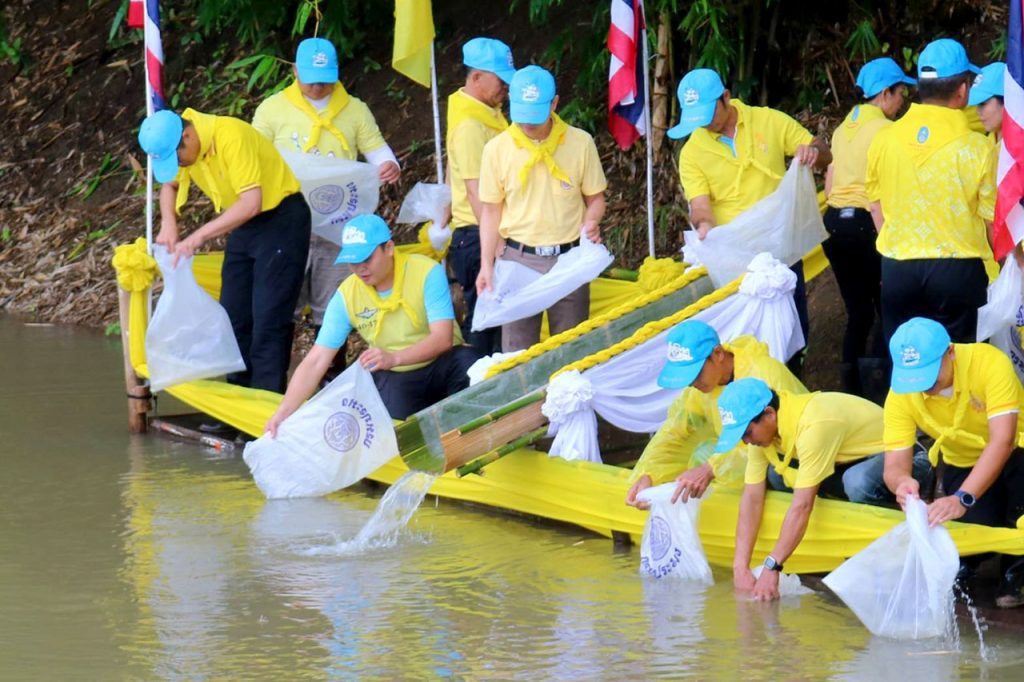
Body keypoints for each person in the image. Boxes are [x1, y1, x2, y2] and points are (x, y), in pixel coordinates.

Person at [138, 108, 310, 405]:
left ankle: (266, 406)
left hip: (281, 219)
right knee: (234, 316)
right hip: (244, 224)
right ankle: (239, 402)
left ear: (187, 136)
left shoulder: (231, 135)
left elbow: (251, 202)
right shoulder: (186, 146)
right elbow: (170, 185)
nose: (179, 166)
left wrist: (198, 237)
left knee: (268, 318)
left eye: (177, 158)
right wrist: (168, 222)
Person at [252, 37, 401, 379]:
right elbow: (254, 157)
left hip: (337, 224)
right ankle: (271, 384)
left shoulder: (355, 109)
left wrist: (388, 165)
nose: (318, 86)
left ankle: (331, 381)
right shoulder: (272, 109)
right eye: (311, 79)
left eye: (325, 79)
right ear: (294, 71)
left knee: (333, 306)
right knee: (280, 305)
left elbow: (376, 149)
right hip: (286, 225)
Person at [668, 68, 832, 364]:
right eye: (696, 118)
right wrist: (703, 226)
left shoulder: (767, 120)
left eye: (708, 114)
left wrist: (812, 152)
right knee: (751, 339)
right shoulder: (692, 153)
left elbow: (823, 151)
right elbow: (700, 205)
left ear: (726, 97)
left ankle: (794, 380)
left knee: (795, 327)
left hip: (781, 247)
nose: (704, 123)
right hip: (738, 259)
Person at [720, 377, 931, 601]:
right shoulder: (762, 437)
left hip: (908, 462)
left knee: (857, 482)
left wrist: (772, 566)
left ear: (770, 414)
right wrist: (740, 567)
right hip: (847, 463)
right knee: (776, 475)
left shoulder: (814, 425)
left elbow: (803, 505)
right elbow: (752, 498)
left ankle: (886, 554)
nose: (746, 441)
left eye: (747, 433)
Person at [266, 214, 480, 426]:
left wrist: (394, 358)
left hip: (442, 363)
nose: (360, 268)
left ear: (389, 248)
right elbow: (316, 360)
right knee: (396, 432)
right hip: (395, 377)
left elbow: (442, 339)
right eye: (353, 262)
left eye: (367, 259)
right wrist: (283, 413)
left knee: (472, 365)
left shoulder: (426, 271)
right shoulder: (347, 294)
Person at [882, 317, 1024, 608]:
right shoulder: (901, 394)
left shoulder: (989, 363)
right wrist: (902, 483)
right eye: (914, 378)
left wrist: (963, 497)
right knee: (974, 529)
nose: (924, 388)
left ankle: (1017, 569)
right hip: (962, 461)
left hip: (1017, 451)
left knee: (1017, 506)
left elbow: (1003, 440)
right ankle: (973, 558)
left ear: (950, 352)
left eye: (929, 376)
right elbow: (894, 463)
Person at [866, 38, 995, 343]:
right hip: (957, 272)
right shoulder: (978, 148)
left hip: (898, 270)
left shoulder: (884, 140)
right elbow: (991, 222)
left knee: (908, 358)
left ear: (920, 88)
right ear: (962, 90)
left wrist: (896, 251)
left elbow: (875, 206)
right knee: (963, 362)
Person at [476, 65, 607, 352]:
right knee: (518, 354)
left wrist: (592, 221)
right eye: (521, 113)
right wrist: (487, 265)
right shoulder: (497, 149)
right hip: (518, 258)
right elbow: (491, 211)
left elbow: (595, 198)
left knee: (571, 351)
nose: (528, 124)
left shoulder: (580, 142)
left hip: (569, 257)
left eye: (535, 114)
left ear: (554, 103)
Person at [624, 319, 806, 509]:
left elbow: (772, 438)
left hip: (795, 456)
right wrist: (647, 474)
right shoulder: (700, 390)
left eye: (696, 373)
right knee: (701, 454)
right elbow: (673, 432)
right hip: (752, 463)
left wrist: (710, 468)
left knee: (773, 474)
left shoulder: (763, 374)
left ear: (718, 354)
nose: (692, 383)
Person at [823, 57, 915, 399]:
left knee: (858, 312)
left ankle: (851, 391)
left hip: (834, 226)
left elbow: (829, 188)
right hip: (866, 225)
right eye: (900, 92)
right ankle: (883, 390)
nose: (902, 101)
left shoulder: (841, 129)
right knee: (887, 307)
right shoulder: (886, 131)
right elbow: (891, 188)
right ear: (885, 93)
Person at [446, 37, 515, 355]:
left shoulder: (487, 111)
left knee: (498, 320)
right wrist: (495, 245)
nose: (506, 87)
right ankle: (477, 380)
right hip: (479, 235)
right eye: (501, 80)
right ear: (476, 77)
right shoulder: (471, 125)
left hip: (487, 230)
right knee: (485, 324)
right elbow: (476, 192)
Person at [968, 61, 1006, 139]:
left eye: (983, 103)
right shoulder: (989, 141)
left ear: (1006, 100)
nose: (978, 111)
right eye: (978, 104)